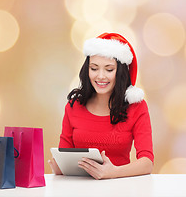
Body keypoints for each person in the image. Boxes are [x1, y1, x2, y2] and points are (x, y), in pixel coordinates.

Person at [48, 33, 154, 180]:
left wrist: (113, 173)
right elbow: (64, 153)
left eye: (109, 69)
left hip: (119, 188)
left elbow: (147, 162)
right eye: (94, 68)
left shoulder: (137, 107)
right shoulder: (73, 106)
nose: (100, 76)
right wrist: (60, 167)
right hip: (78, 189)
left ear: (120, 72)